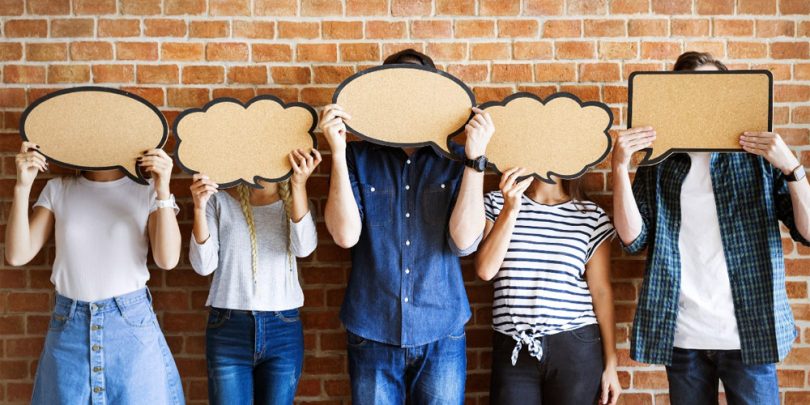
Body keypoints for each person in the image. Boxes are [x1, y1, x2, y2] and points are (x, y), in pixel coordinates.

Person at [612, 51, 810, 405]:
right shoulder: (660, 162)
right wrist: (620, 166)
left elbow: (809, 232)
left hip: (750, 335)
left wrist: (792, 168)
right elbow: (632, 239)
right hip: (684, 339)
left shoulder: (757, 158)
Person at [321, 49, 491, 404]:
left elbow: (465, 241)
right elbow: (344, 234)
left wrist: (475, 161)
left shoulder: (456, 161)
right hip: (372, 327)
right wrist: (336, 153)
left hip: (442, 331)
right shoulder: (357, 157)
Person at [6, 142, 184, 404]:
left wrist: (163, 188)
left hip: (131, 328)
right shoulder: (58, 188)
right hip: (69, 327)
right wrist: (22, 187)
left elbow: (167, 259)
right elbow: (17, 254)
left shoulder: (146, 191)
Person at [476, 168, 621, 405]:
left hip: (575, 347)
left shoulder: (591, 215)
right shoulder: (496, 202)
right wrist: (511, 209)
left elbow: (602, 292)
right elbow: (485, 269)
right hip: (513, 345)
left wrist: (611, 365)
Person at [188, 149, 321, 405]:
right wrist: (198, 206)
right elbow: (203, 266)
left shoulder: (296, 201)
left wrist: (299, 185)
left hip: (283, 327)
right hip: (229, 327)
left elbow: (304, 248)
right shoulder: (219, 199)